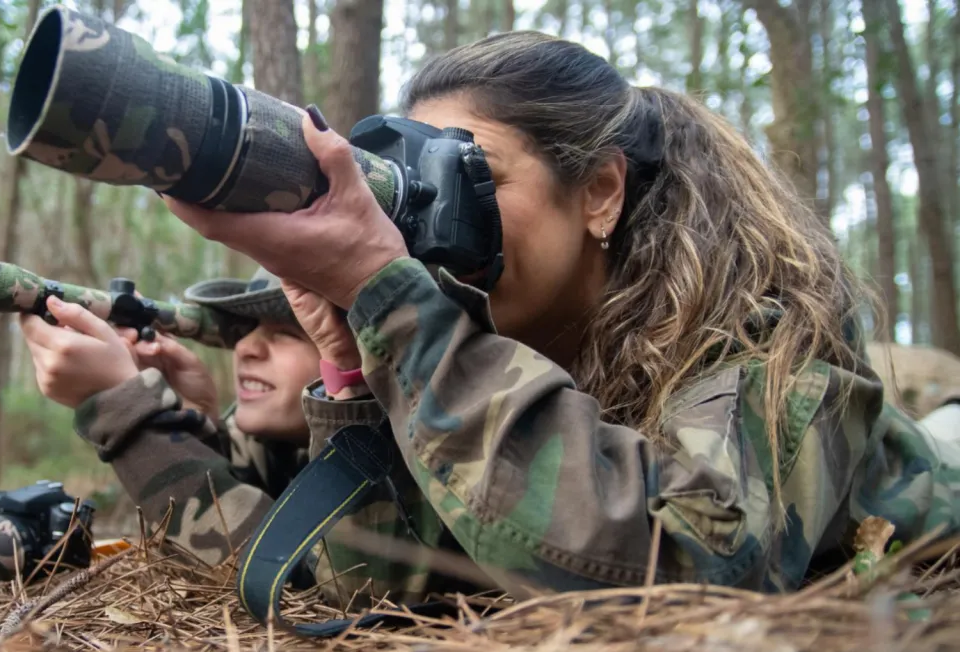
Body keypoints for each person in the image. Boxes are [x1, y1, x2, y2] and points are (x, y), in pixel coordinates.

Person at [154, 30, 960, 596]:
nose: (439, 229)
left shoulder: (753, 336)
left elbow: (692, 569)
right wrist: (351, 365)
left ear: (600, 192)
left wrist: (398, 309)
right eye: (420, 196)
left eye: (478, 178)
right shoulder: (497, 346)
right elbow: (386, 586)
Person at [19, 266, 396, 600]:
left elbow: (322, 582)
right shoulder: (282, 446)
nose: (246, 347)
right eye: (247, 331)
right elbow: (244, 522)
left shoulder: (406, 459)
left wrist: (123, 410)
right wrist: (193, 425)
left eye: (284, 334)